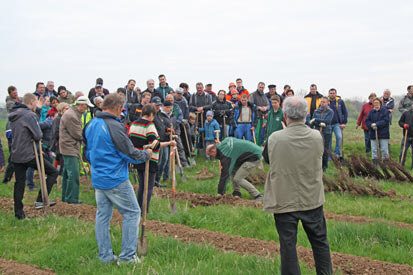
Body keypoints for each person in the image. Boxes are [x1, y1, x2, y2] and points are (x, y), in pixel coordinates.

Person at [263, 96, 332, 275]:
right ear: (306, 114)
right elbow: (322, 158)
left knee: (288, 246)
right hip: (312, 198)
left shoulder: (275, 138)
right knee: (320, 242)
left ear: (285, 115)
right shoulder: (317, 136)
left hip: (284, 199)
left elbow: (267, 158)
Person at [84, 93, 151, 264]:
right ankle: (127, 257)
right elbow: (128, 152)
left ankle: (105, 256)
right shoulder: (114, 126)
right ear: (118, 108)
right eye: (122, 109)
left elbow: (87, 152)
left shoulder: (92, 124)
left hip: (98, 177)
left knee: (102, 215)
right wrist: (145, 155)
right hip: (114, 178)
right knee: (133, 212)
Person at [9, 93, 59, 219]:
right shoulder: (29, 115)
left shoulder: (15, 114)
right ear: (32, 102)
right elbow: (38, 135)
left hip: (16, 153)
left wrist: (38, 111)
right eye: (36, 102)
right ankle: (40, 200)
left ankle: (18, 213)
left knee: (19, 183)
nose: (37, 104)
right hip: (28, 154)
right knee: (53, 171)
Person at [129, 104, 176, 212]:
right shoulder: (149, 126)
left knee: (141, 185)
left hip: (137, 157)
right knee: (149, 186)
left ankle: (139, 207)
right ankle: (145, 210)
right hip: (149, 160)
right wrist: (169, 143)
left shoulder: (134, 124)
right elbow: (155, 145)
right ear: (151, 114)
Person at [60, 96, 93, 204]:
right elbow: (78, 134)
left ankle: (65, 197)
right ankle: (72, 199)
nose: (87, 109)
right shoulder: (72, 116)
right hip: (69, 148)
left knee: (67, 174)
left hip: (69, 147)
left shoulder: (73, 114)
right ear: (81, 105)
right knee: (74, 174)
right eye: (86, 106)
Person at [310, 97, 334, 171]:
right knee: (317, 149)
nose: (322, 103)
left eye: (324, 102)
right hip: (317, 131)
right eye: (321, 102)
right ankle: (317, 165)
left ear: (327, 103)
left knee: (325, 149)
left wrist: (317, 120)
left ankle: (324, 166)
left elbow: (328, 121)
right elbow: (313, 121)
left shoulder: (330, 111)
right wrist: (319, 122)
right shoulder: (316, 111)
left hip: (326, 132)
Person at [365, 98, 390, 162]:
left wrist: (376, 124)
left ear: (380, 103)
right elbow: (367, 121)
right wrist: (371, 125)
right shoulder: (371, 112)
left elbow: (386, 121)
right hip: (373, 133)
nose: (376, 104)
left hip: (383, 134)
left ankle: (385, 164)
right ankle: (375, 164)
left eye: (377, 103)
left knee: (384, 149)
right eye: (375, 103)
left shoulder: (385, 111)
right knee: (374, 150)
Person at [328, 88, 348, 158]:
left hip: (337, 123)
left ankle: (337, 154)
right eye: (331, 93)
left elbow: (345, 112)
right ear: (329, 94)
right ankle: (329, 155)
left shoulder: (340, 101)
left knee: (339, 137)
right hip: (328, 124)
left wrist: (344, 123)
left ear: (336, 94)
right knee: (329, 140)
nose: (332, 94)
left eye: (333, 93)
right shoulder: (325, 101)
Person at [51, 103, 70, 174]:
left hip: (66, 145)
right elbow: (56, 133)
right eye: (66, 109)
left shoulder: (67, 118)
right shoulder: (58, 119)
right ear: (61, 110)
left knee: (62, 165)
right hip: (60, 145)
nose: (68, 110)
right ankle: (60, 182)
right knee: (62, 165)